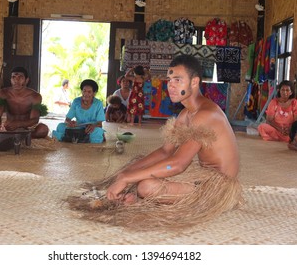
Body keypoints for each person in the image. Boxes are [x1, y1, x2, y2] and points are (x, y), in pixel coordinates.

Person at [67, 54, 242, 229]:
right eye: (170, 79)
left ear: (194, 82)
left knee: (146, 186)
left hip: (217, 187)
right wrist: (124, 174)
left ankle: (141, 198)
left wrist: (128, 179)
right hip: (201, 177)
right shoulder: (186, 114)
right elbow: (165, 152)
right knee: (138, 165)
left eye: (178, 80)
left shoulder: (205, 114)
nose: (171, 85)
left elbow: (178, 164)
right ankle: (139, 195)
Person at [0, 66, 49, 152]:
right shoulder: (3, 93)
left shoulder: (35, 96)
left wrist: (19, 124)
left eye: (20, 77)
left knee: (43, 129)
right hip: (9, 127)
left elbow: (35, 119)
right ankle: (17, 139)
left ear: (27, 80)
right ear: (10, 80)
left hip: (27, 129)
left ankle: (20, 138)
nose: (16, 80)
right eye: (13, 77)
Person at [52, 79, 105, 143]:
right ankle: (81, 139)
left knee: (98, 131)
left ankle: (74, 138)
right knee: (60, 126)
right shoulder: (76, 101)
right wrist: (70, 123)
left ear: (94, 93)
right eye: (84, 91)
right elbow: (67, 119)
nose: (86, 94)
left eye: (89, 92)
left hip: (90, 130)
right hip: (78, 128)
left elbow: (100, 124)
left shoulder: (98, 103)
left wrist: (93, 126)